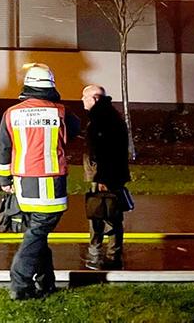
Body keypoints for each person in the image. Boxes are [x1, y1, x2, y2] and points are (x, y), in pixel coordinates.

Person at [0, 63, 80, 300]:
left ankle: (46, 282)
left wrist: (4, 179)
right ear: (52, 86)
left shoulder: (11, 113)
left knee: (37, 232)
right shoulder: (61, 112)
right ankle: (20, 285)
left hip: (23, 183)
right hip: (52, 183)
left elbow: (3, 148)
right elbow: (74, 130)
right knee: (37, 234)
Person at [81, 84, 131, 270]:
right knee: (111, 215)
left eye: (84, 97)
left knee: (101, 216)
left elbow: (104, 152)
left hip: (103, 177)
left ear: (94, 99)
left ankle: (101, 256)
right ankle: (113, 255)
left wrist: (102, 179)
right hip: (110, 176)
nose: (82, 101)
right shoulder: (111, 116)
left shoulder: (101, 119)